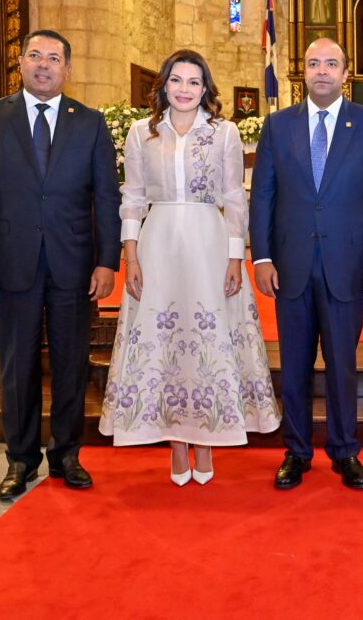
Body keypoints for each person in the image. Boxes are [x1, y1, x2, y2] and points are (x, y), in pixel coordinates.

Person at [98, 50, 280, 485]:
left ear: (205, 88)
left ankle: (205, 440)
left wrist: (236, 255)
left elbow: (235, 197)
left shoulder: (224, 133)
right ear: (163, 85)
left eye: (194, 82)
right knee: (164, 340)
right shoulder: (143, 132)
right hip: (157, 239)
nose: (184, 89)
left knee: (205, 336)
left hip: (207, 242)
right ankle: (176, 443)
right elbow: (133, 196)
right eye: (176, 80)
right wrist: (131, 252)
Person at [0, 29, 122, 501]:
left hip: (74, 264)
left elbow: (105, 197)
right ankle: (20, 458)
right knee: (17, 365)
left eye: (54, 58)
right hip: (11, 266)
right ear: (21, 62)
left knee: (71, 363)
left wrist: (106, 261)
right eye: (35, 56)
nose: (44, 65)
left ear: (67, 69)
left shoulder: (89, 122)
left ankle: (67, 454)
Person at [249, 37, 363, 490]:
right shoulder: (278, 125)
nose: (321, 71)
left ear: (345, 73)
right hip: (290, 265)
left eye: (331, 64)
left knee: (342, 364)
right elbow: (264, 195)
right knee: (294, 365)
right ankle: (296, 450)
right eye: (313, 62)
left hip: (348, 265)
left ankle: (345, 450)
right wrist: (262, 255)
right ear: (303, 70)